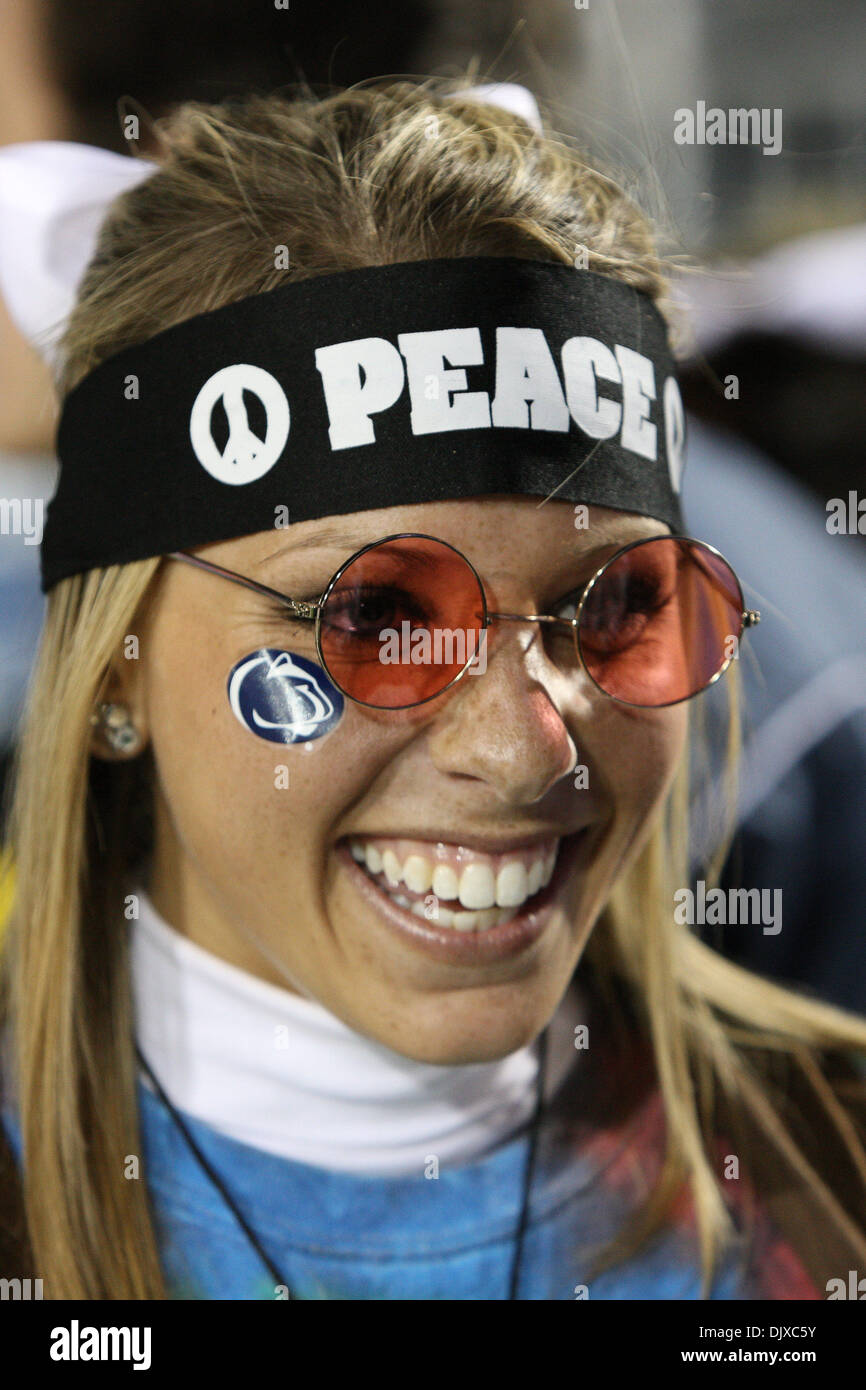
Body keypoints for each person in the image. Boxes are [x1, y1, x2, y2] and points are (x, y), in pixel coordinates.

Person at [1, 80, 865, 1302]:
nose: (523, 751)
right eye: (377, 618)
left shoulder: (835, 1187)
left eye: (614, 606)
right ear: (114, 672)